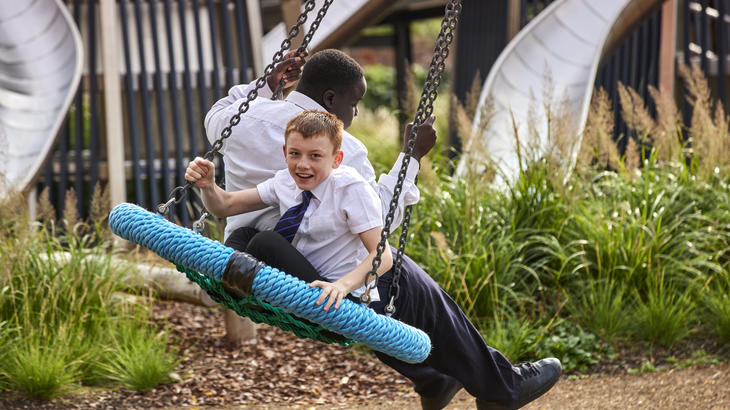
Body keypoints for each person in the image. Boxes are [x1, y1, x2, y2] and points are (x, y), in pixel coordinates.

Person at [205, 49, 562, 410]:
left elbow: (215, 117)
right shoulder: (347, 152)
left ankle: (434, 379)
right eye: (354, 103)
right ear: (330, 100)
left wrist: (268, 84)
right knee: (412, 293)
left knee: (379, 309)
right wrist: (411, 157)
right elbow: (379, 219)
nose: (355, 113)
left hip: (258, 271)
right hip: (318, 281)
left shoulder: (240, 119)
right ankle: (504, 387)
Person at [187, 110, 393, 309]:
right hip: (302, 281)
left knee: (265, 242)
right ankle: (223, 284)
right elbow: (226, 205)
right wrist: (209, 186)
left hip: (336, 297)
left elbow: (383, 256)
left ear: (336, 159)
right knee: (244, 233)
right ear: (285, 153)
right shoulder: (285, 180)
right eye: (295, 154)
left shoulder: (351, 189)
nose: (303, 164)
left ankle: (233, 287)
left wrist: (342, 286)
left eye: (315, 156)